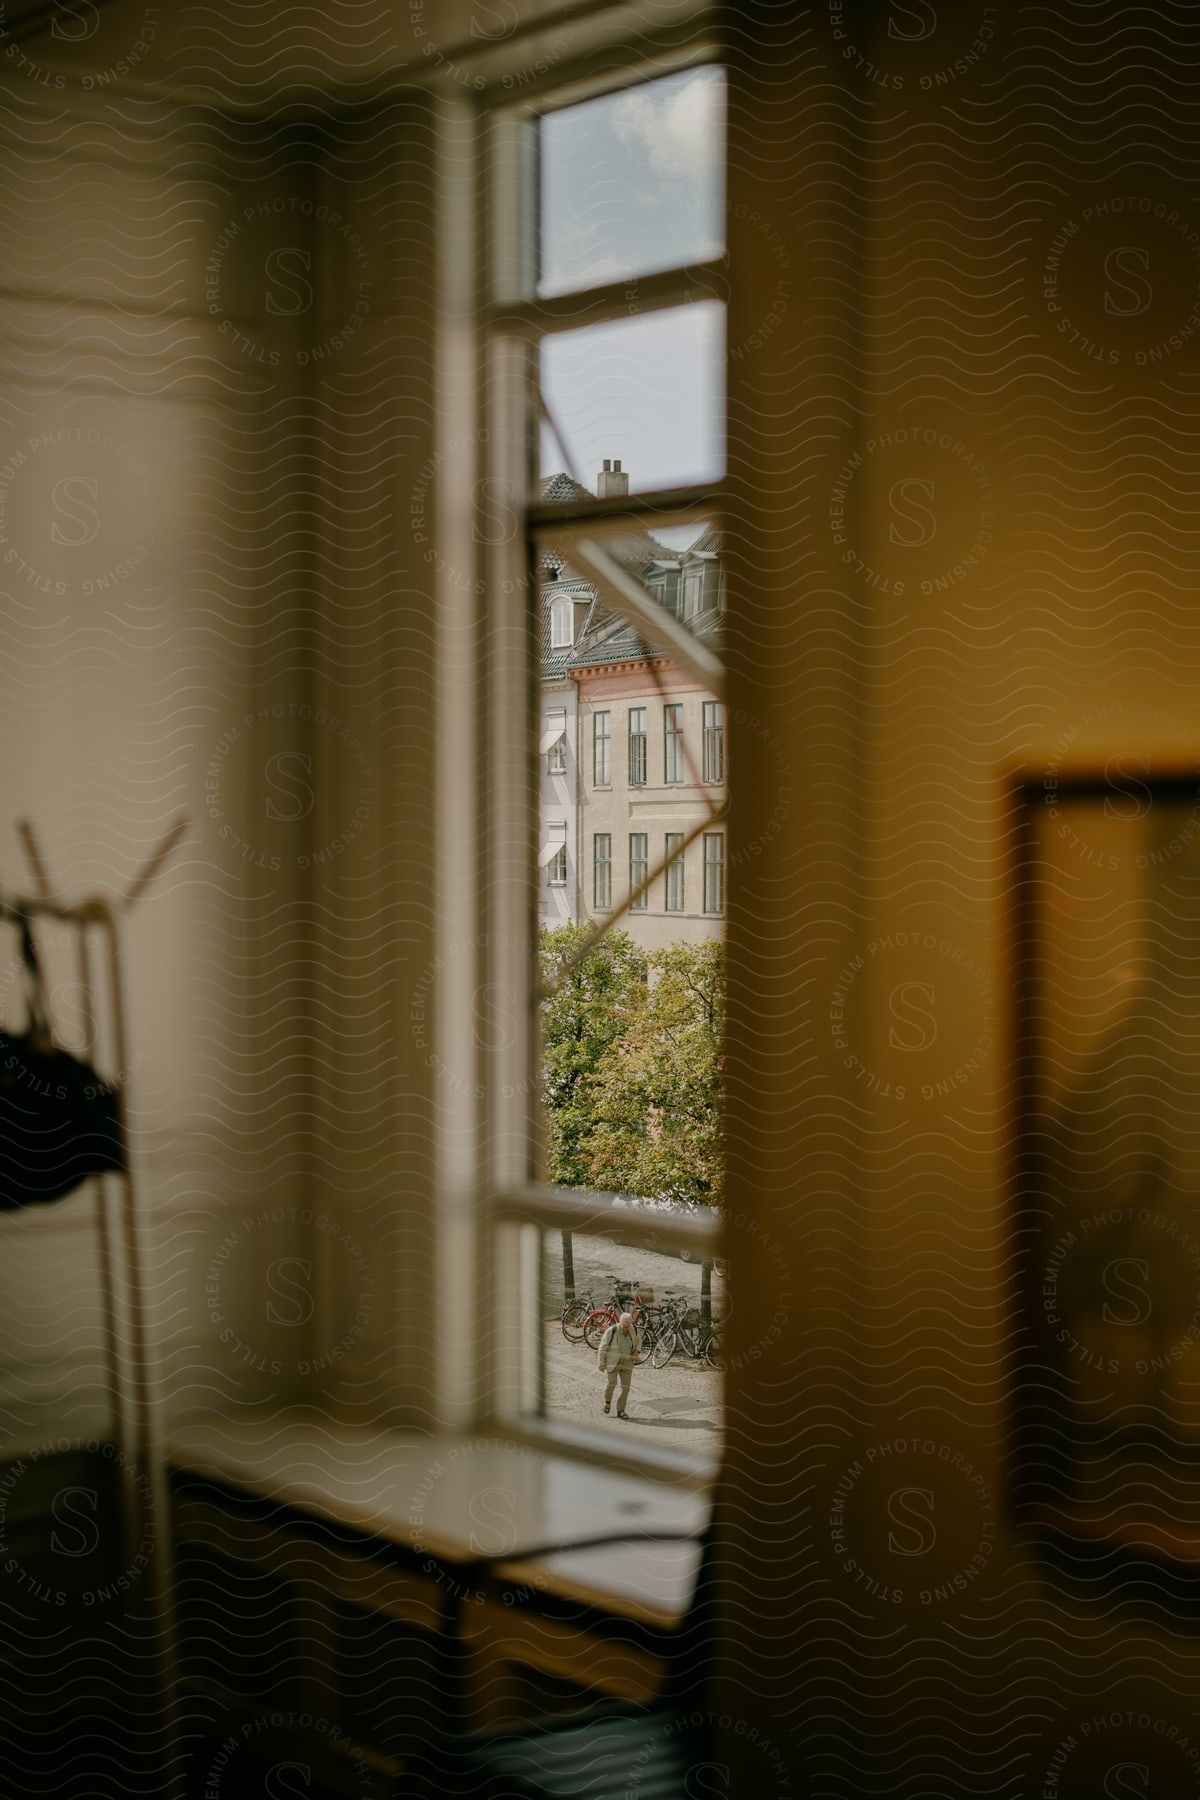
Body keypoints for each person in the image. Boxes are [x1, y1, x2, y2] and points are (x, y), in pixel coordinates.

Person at [598, 1310, 642, 1418]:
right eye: (624, 1326)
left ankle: (621, 1411)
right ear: (620, 1322)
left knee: (625, 1387)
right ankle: (607, 1402)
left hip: (627, 1362)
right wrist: (601, 1363)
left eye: (629, 1325)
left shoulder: (634, 1329)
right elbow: (602, 1348)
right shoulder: (611, 1330)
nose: (627, 1328)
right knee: (611, 1384)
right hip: (613, 1361)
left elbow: (639, 1341)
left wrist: (637, 1351)